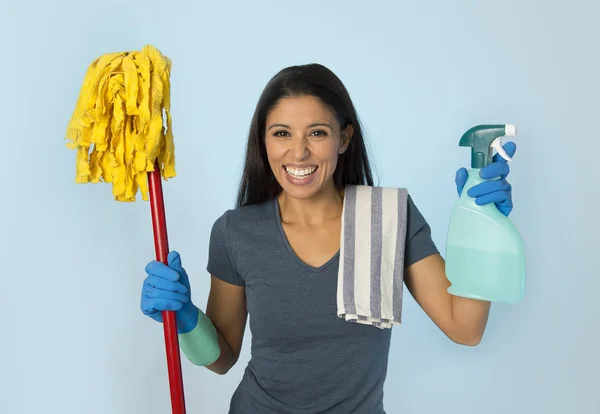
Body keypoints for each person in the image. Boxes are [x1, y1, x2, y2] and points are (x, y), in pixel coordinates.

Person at [140, 63, 517, 413]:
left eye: (317, 133)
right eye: (282, 133)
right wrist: (186, 318)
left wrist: (481, 229)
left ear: (343, 138)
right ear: (264, 141)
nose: (299, 151)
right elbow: (222, 358)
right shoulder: (235, 232)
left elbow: (465, 328)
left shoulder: (386, 217)